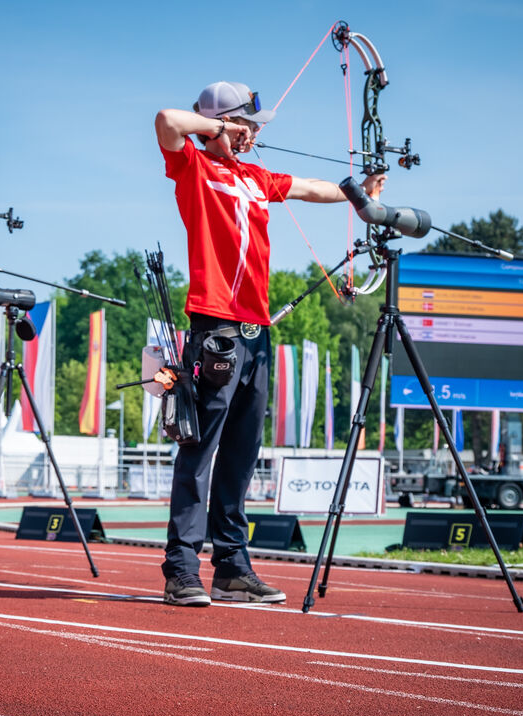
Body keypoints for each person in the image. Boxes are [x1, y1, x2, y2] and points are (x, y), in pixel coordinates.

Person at [155, 82, 385, 606]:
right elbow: (167, 119)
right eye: (248, 125)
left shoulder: (257, 178)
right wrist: (220, 130)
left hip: (256, 329)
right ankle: (181, 571)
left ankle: (232, 569)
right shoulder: (192, 167)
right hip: (214, 324)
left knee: (240, 453)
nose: (256, 134)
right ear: (225, 123)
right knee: (200, 450)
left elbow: (312, 188)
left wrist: (362, 192)